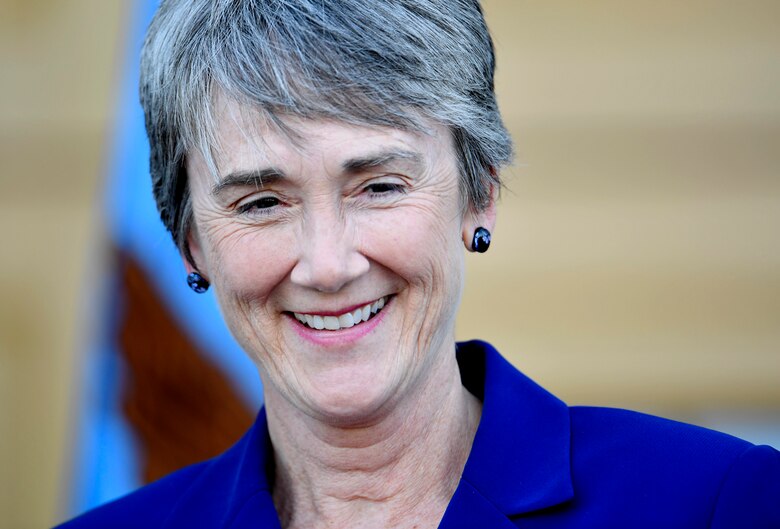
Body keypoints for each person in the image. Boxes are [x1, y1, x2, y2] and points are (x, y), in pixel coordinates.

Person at [57, 1, 780, 528]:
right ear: (189, 240)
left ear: (480, 192)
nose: (329, 263)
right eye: (261, 202)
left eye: (378, 186)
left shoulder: (714, 502)